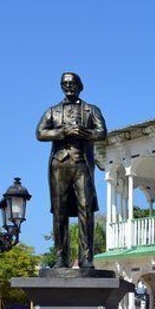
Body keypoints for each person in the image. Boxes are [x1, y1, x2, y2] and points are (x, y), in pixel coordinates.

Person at [36, 72, 108, 269]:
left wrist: (85, 133)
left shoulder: (91, 110)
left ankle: (86, 257)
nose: (69, 87)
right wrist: (64, 132)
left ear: (80, 86)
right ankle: (61, 257)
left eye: (72, 83)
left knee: (86, 210)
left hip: (81, 163)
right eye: (65, 84)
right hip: (59, 165)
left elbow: (102, 133)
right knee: (59, 212)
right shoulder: (52, 111)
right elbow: (40, 133)